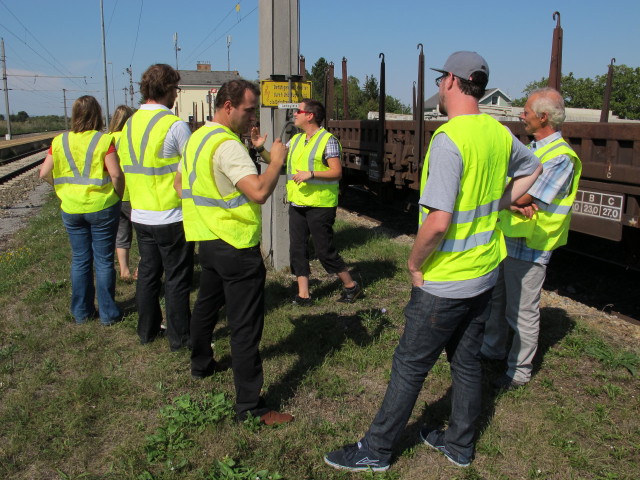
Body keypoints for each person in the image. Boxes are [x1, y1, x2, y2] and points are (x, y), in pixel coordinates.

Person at [324, 51, 542, 471]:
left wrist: (414, 263)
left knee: (409, 366)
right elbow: (533, 166)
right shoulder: (496, 132)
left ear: (452, 82)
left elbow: (438, 223)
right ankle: (459, 444)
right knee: (466, 362)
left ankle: (377, 449)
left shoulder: (449, 139)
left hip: (444, 281)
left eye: (441, 79)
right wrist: (499, 203)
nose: (439, 86)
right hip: (484, 273)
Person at [176, 79, 293, 425]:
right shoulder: (227, 146)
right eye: (248, 109)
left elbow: (179, 184)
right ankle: (249, 407)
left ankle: (201, 365)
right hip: (237, 246)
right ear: (228, 107)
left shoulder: (198, 137)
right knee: (245, 328)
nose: (252, 116)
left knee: (206, 308)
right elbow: (258, 192)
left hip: (208, 240)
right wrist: (276, 161)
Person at [481, 87, 582, 389]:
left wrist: (509, 198)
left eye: (525, 111)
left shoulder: (561, 157)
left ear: (543, 117)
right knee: (496, 301)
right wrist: (510, 199)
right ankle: (492, 350)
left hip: (531, 246)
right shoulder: (535, 149)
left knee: (521, 311)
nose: (520, 116)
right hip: (507, 237)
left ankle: (518, 372)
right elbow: (511, 190)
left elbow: (526, 196)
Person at [251, 98, 362, 305]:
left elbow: (337, 172)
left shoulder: (328, 140)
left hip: (320, 205)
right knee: (297, 250)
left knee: (324, 251)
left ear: (310, 116)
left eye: (298, 111)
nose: (294, 114)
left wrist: (311, 173)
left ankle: (351, 286)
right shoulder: (296, 140)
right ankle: (304, 295)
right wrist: (260, 148)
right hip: (298, 203)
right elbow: (277, 163)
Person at [117, 64, 193, 352]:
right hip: (171, 214)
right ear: (167, 89)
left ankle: (146, 331)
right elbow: (192, 167)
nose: (176, 94)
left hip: (140, 213)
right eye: (175, 88)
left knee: (148, 274)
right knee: (176, 278)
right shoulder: (174, 125)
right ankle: (180, 338)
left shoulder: (129, 125)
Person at [39, 95, 124, 326]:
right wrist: (118, 195)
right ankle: (108, 314)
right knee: (104, 260)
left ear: (74, 115)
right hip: (102, 206)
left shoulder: (59, 141)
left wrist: (62, 190)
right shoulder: (103, 140)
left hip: (71, 208)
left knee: (80, 260)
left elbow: (44, 173)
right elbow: (115, 174)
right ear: (97, 114)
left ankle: (81, 313)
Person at [108, 105, 135, 281]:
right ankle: (142, 267)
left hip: (115, 193)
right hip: (133, 191)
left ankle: (124, 270)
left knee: (121, 233)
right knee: (143, 234)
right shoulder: (131, 137)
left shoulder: (107, 139)